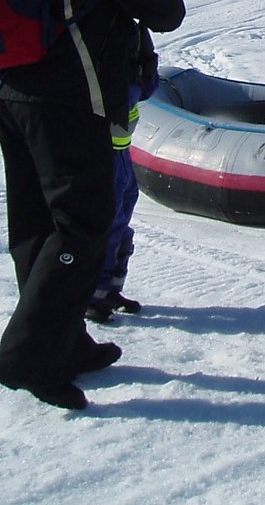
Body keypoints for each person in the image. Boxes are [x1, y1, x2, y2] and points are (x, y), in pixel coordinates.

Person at [0, 0, 185, 410]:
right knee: (83, 227)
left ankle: (64, 341)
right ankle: (27, 358)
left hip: (11, 93)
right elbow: (166, 11)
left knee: (38, 227)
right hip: (68, 103)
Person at [85, 26, 157, 324]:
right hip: (104, 154)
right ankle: (94, 294)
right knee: (108, 222)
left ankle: (112, 288)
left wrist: (146, 61)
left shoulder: (130, 38)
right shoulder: (104, 56)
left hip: (121, 151)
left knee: (122, 218)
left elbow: (146, 88)